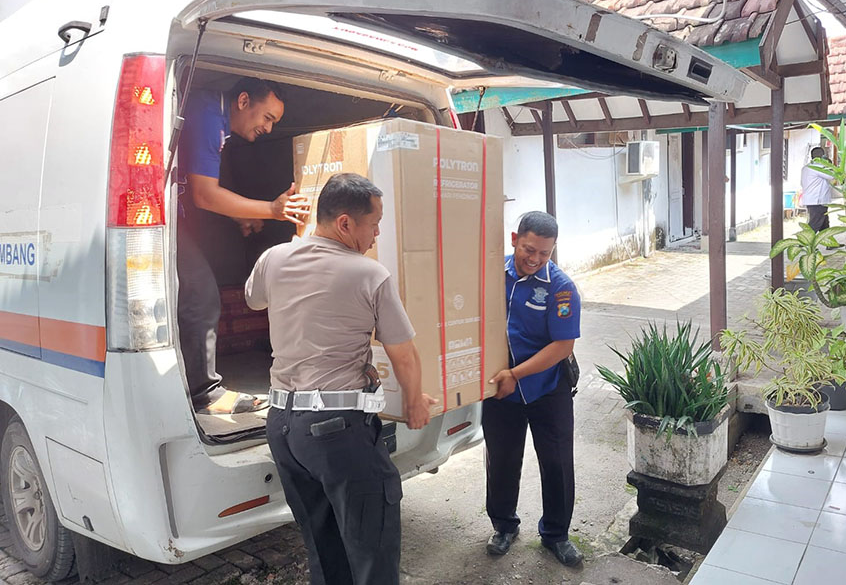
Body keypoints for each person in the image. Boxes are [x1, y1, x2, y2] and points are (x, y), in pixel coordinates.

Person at [245, 172, 436, 585]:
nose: (377, 232)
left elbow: (254, 299)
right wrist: (415, 401)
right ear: (345, 223)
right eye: (374, 223)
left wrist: (295, 249)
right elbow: (403, 353)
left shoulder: (274, 258)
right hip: (337, 433)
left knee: (323, 546)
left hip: (283, 428)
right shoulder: (369, 274)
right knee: (371, 551)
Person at [177, 77, 310, 415]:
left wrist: (241, 215)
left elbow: (205, 186)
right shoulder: (208, 116)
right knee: (200, 296)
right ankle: (204, 394)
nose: (269, 128)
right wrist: (273, 209)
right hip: (163, 218)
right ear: (243, 101)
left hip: (176, 216)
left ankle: (187, 383)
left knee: (196, 294)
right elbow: (204, 195)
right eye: (267, 117)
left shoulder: (216, 119)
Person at [483, 211, 583, 567]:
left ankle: (556, 535)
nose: (535, 259)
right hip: (500, 389)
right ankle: (503, 526)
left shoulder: (561, 288)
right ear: (514, 239)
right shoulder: (491, 273)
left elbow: (563, 346)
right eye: (529, 249)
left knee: (557, 463)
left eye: (545, 252)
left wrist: (516, 373)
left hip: (547, 388)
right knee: (501, 460)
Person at [800, 146, 834, 232]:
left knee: (824, 226)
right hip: (818, 201)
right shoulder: (819, 167)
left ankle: (828, 240)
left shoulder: (806, 167)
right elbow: (832, 176)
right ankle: (806, 240)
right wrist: (829, 165)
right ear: (823, 156)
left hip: (811, 200)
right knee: (814, 225)